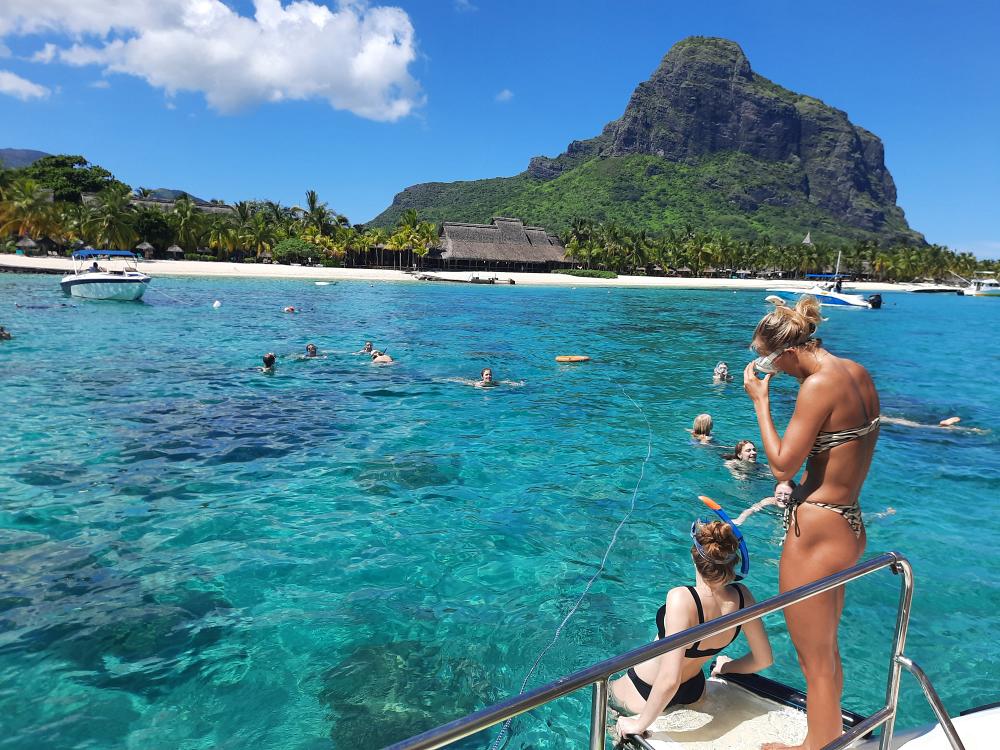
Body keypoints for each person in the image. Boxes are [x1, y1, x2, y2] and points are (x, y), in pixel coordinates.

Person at [742, 295, 879, 750]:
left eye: (770, 363)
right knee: (825, 650)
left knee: (812, 655)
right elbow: (839, 453)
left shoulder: (817, 385)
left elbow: (781, 465)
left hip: (817, 532)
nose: (773, 373)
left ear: (787, 352)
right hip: (849, 524)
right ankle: (825, 735)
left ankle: (816, 746)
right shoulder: (856, 373)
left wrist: (760, 402)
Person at [612, 518, 773, 739]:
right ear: (732, 563)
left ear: (693, 556)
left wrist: (640, 723)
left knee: (598, 697)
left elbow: (669, 678)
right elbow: (764, 659)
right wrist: (726, 668)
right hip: (694, 691)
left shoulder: (682, 598)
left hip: (644, 693)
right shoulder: (743, 597)